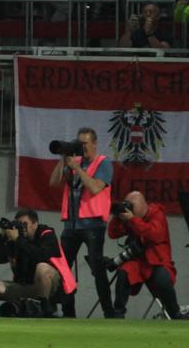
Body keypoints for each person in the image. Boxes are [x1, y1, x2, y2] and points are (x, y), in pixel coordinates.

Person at [48, 127, 115, 319]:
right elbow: (53, 182)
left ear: (94, 144)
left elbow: (95, 188)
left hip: (93, 224)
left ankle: (109, 313)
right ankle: (68, 312)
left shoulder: (104, 163)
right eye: (79, 143)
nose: (82, 148)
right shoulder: (73, 162)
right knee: (63, 270)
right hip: (71, 225)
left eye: (85, 144)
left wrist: (77, 169)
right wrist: (63, 159)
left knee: (97, 267)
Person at [0, 209, 75, 318]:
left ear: (35, 224)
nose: (21, 228)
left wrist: (18, 240)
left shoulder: (46, 234)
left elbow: (41, 256)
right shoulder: (17, 239)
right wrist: (2, 237)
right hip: (27, 286)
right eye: (18, 224)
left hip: (53, 288)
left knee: (42, 267)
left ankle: (43, 306)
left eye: (24, 224)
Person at [108, 191, 181, 319]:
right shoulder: (131, 218)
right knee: (124, 271)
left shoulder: (157, 214)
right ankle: (118, 314)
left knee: (162, 279)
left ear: (143, 207)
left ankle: (174, 313)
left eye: (132, 207)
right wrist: (117, 216)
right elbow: (113, 234)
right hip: (138, 260)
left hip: (157, 261)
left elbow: (152, 234)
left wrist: (133, 219)